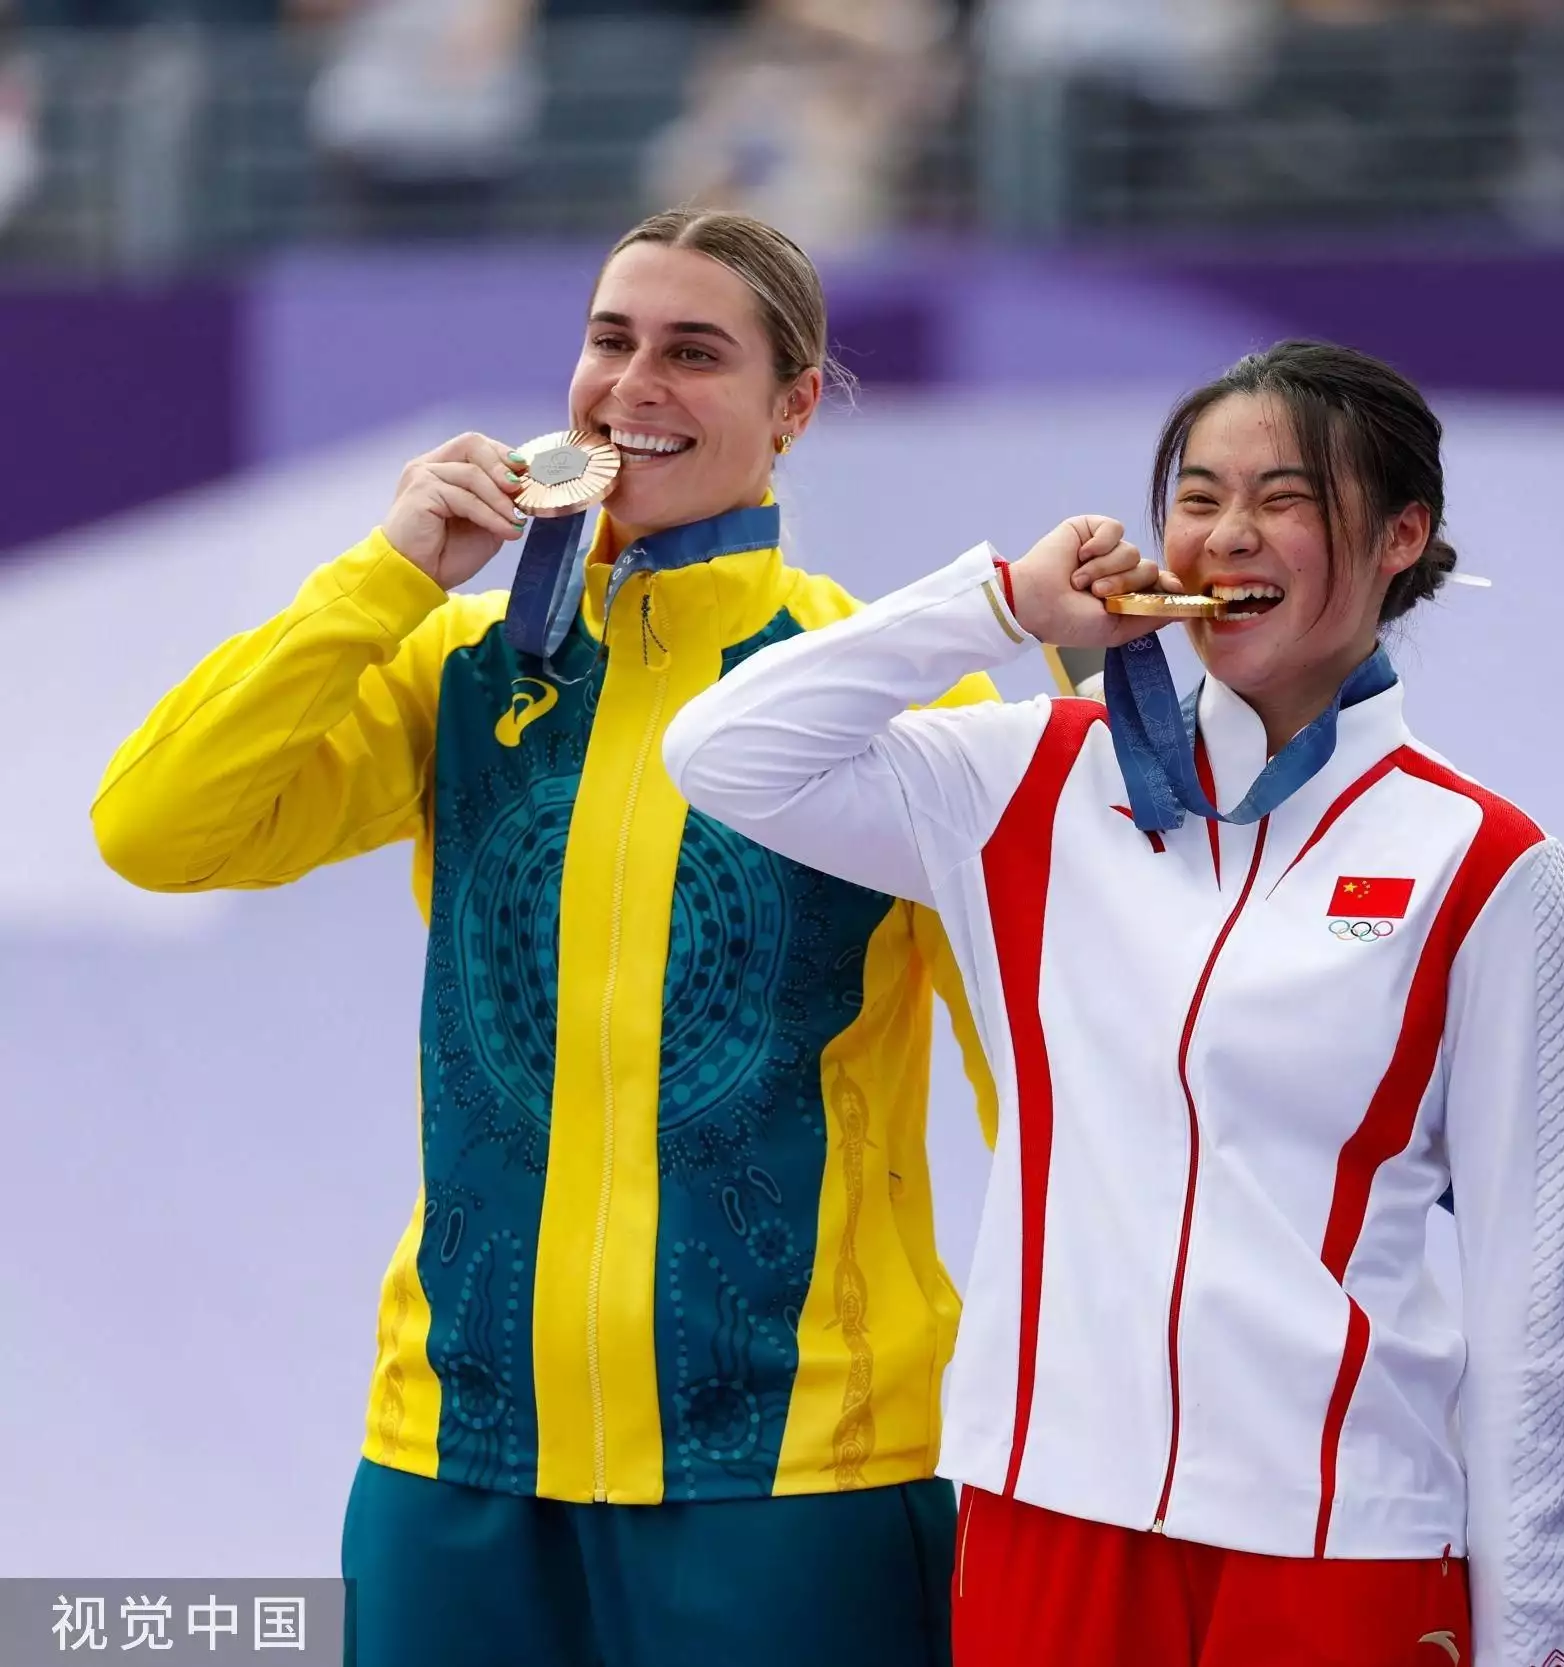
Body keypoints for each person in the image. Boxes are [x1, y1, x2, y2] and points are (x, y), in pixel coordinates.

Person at [92, 209, 995, 1667]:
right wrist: (389, 573)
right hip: (455, 1451)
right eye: (609, 340)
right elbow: (156, 825)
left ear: (795, 405)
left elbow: (1040, 1079)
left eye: (695, 352)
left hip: (794, 1472)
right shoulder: (460, 670)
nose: (633, 384)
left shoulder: (891, 706)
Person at [664, 340, 1564, 1667]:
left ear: (1404, 535)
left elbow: (1530, 1295)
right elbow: (722, 753)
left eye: (1284, 496)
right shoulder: (1032, 784)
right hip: (1048, 1513)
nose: (1229, 533)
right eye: (1199, 493)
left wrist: (1532, 1637)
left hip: (1339, 1538)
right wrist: (997, 607)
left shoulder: (1488, 864)